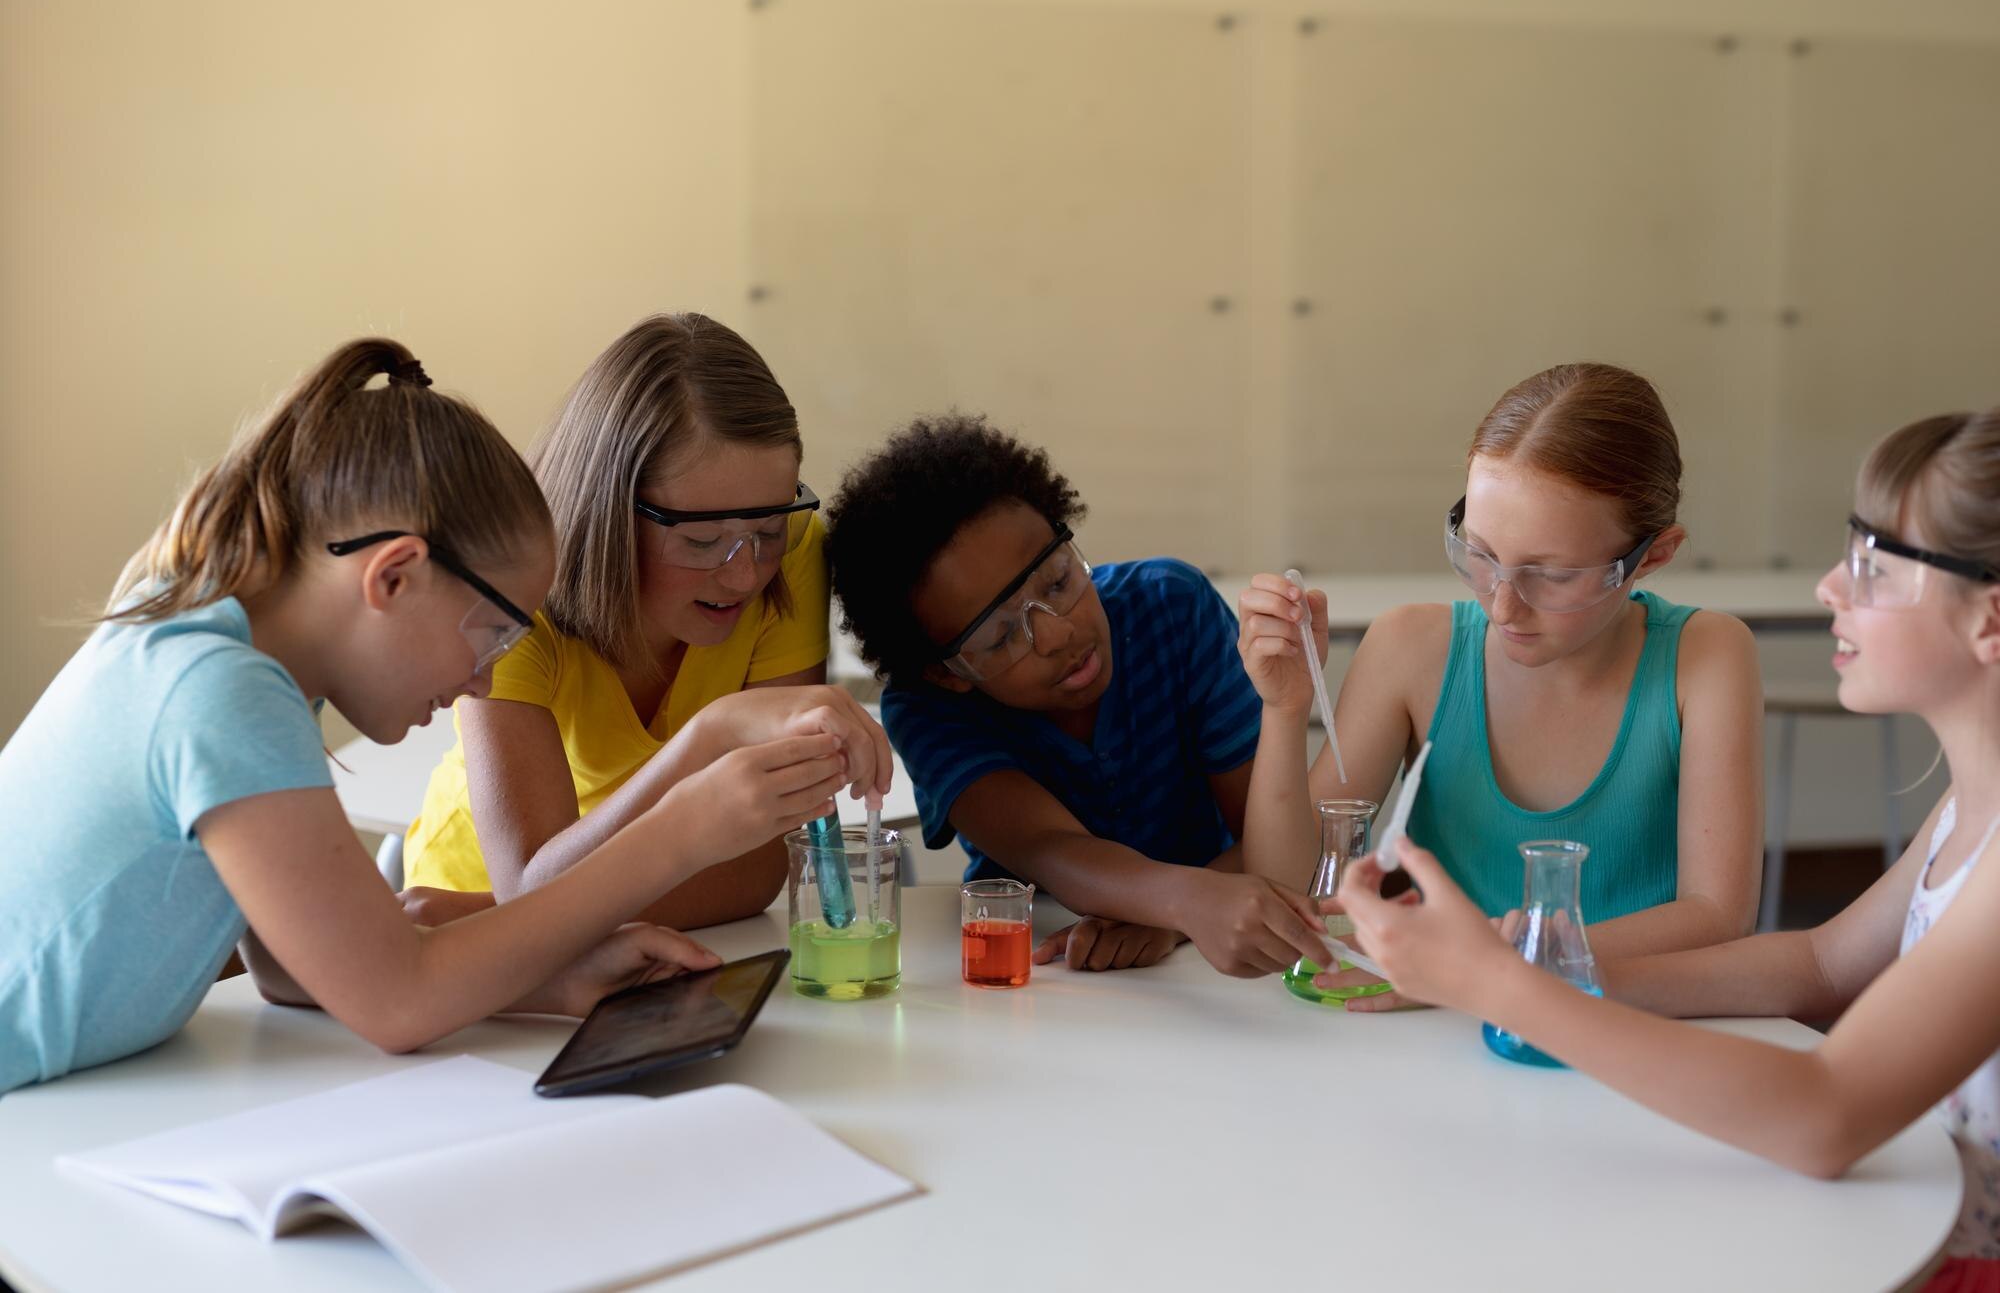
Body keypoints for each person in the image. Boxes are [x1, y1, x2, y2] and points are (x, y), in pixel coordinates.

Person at [0, 339, 856, 1094]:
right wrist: (681, 829)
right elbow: (396, 1002)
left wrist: (548, 980)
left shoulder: (215, 639)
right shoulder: (221, 690)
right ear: (393, 576)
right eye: (489, 634)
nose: (484, 684)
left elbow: (289, 961)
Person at [1340, 409, 2000, 1290]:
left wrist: (1503, 988)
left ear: (1991, 619)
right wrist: (1527, 964)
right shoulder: (1968, 807)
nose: (1829, 588)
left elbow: (1824, 1115)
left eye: (1874, 568)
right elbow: (1818, 962)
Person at [1236, 363, 1762, 1008]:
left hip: (1633, 1022)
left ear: (1653, 555)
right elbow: (1287, 888)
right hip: (1439, 1029)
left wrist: (1484, 966)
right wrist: (1284, 709)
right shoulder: (1412, 648)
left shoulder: (1704, 656)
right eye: (1480, 555)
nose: (1504, 606)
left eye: (1554, 574)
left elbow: (1718, 916)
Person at [398, 313, 887, 930]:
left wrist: (518, 913)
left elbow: (760, 869)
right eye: (704, 541)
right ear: (607, 515)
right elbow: (530, 887)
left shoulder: (792, 552)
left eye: (766, 529)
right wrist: (715, 734)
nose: (745, 574)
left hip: (471, 916)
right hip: (461, 929)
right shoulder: (516, 590)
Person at [826, 415, 1330, 977]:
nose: (1060, 633)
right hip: (1041, 966)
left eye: (1060, 581)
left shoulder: (1172, 608)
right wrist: (1184, 901)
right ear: (947, 672)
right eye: (1001, 635)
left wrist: (1172, 917)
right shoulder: (928, 708)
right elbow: (1049, 848)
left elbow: (1269, 844)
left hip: (1211, 958)